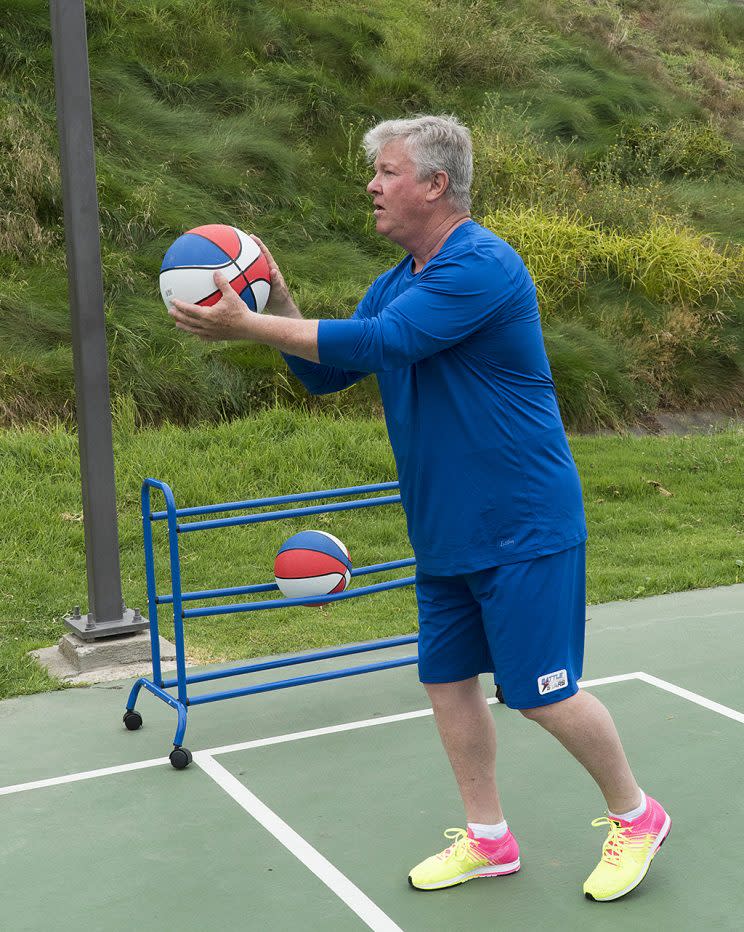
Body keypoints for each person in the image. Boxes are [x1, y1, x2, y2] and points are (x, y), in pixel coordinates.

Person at [169, 114, 671, 902]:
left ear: (436, 185)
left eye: (388, 172)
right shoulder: (397, 279)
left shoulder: (482, 267)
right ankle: (489, 839)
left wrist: (243, 325)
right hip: (445, 527)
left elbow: (384, 345)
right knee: (445, 681)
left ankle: (636, 815)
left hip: (523, 523)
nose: (372, 185)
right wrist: (271, 296)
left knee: (542, 693)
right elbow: (325, 374)